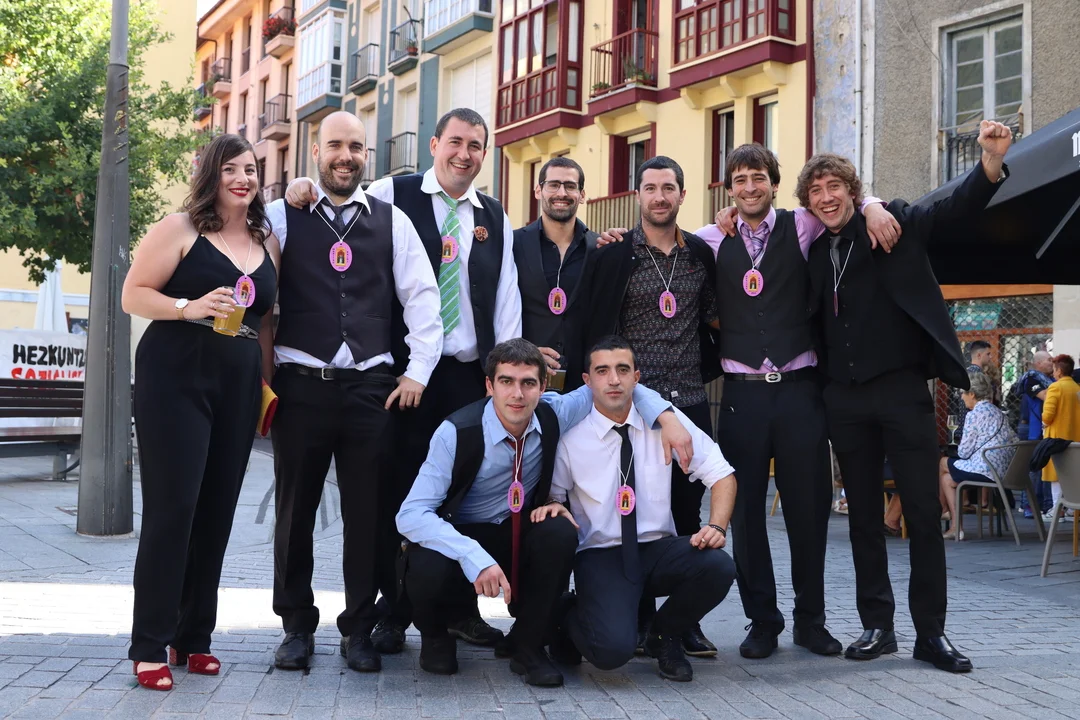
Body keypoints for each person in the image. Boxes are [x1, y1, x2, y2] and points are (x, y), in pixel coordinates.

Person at [286, 108, 521, 653]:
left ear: (485, 154)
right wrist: (302, 184)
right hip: (406, 376)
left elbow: (505, 298)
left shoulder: (494, 214)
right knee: (395, 492)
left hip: (469, 378)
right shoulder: (393, 192)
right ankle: (391, 611)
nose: (464, 154)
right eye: (455, 142)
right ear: (434, 145)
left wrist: (502, 374)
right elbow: (340, 204)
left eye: (476, 146)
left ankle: (458, 611)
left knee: (462, 495)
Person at [800, 118, 1013, 673]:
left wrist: (990, 163)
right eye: (816, 191)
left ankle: (931, 634)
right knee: (864, 520)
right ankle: (878, 626)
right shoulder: (812, 250)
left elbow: (954, 209)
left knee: (921, 512)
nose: (826, 197)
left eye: (835, 187)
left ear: (853, 191)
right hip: (845, 400)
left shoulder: (892, 222)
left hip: (902, 393)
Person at [395, 339, 692, 686]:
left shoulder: (554, 412)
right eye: (506, 381)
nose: (517, 394)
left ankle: (528, 647)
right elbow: (411, 514)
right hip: (463, 535)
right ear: (490, 385)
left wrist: (667, 417)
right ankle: (435, 636)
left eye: (528, 383)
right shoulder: (456, 432)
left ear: (543, 386)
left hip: (516, 530)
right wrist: (471, 554)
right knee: (426, 560)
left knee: (559, 533)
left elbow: (615, 386)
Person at [704, 144, 900, 660]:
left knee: (809, 513)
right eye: (740, 180)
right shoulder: (710, 239)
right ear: (729, 189)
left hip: (799, 391)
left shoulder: (804, 225)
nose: (750, 187)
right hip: (741, 396)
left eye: (758, 178)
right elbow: (665, 248)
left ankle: (811, 621)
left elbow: (846, 210)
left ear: (774, 183)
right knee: (746, 514)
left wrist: (872, 203)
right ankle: (762, 622)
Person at [263, 111, 442, 673]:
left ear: (368, 156)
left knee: (369, 516)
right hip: (300, 385)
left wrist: (418, 373)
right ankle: (296, 626)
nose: (346, 156)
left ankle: (359, 628)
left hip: (370, 387)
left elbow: (424, 298)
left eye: (357, 147)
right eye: (336, 145)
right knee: (295, 511)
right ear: (316, 152)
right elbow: (253, 280)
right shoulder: (281, 215)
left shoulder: (392, 221)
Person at [121, 133, 280, 690]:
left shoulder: (267, 240)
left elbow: (266, 322)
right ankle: (149, 644)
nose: (242, 178)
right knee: (174, 510)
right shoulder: (180, 228)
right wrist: (189, 306)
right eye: (231, 169)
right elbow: (134, 294)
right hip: (175, 377)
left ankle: (194, 637)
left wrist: (266, 386)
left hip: (239, 383)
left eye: (251, 170)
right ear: (211, 174)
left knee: (217, 512)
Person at [579, 156, 722, 655]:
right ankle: (638, 617)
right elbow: (595, 324)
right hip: (634, 405)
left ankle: (682, 621)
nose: (660, 197)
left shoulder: (699, 254)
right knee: (634, 510)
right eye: (651, 188)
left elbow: (715, 318)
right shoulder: (615, 254)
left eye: (668, 188)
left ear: (682, 194)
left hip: (690, 400)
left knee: (686, 510)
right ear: (638, 195)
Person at [541, 336, 737, 682]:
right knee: (611, 653)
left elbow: (722, 475)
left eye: (622, 370)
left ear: (636, 377)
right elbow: (552, 497)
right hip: (602, 554)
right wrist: (555, 508)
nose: (613, 380)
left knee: (718, 566)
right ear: (587, 381)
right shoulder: (571, 437)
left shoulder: (667, 423)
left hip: (658, 549)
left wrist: (717, 526)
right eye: (602, 371)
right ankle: (568, 613)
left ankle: (664, 636)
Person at [514, 157, 599, 391]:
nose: (562, 193)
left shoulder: (599, 248)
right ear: (538, 191)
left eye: (570, 186)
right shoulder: (513, 244)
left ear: (582, 195)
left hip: (585, 384)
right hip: (526, 379)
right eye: (553, 185)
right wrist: (523, 353)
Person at [939, 372, 1017, 539]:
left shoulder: (974, 414)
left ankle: (945, 512)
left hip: (985, 470)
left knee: (942, 463)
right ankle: (954, 525)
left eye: (963, 393)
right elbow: (1014, 441)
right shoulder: (999, 413)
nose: (961, 397)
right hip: (1004, 471)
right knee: (946, 479)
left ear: (972, 394)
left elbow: (963, 453)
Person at [1013, 351, 1055, 518]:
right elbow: (1046, 396)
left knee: (1046, 467)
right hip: (1031, 429)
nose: (1052, 362)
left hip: (1045, 429)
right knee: (1034, 468)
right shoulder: (1031, 379)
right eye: (1049, 360)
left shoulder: (1051, 380)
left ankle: (1046, 504)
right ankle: (1028, 504)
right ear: (1038, 363)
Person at [1042, 354, 1080, 512]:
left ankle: (1057, 510)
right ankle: (1072, 510)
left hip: (1056, 438)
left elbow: (1048, 415)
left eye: (1054, 369)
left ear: (1059, 371)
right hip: (1075, 436)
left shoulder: (1055, 387)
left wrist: (1044, 423)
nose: (1053, 372)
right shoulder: (1077, 388)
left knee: (1056, 475)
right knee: (1071, 473)